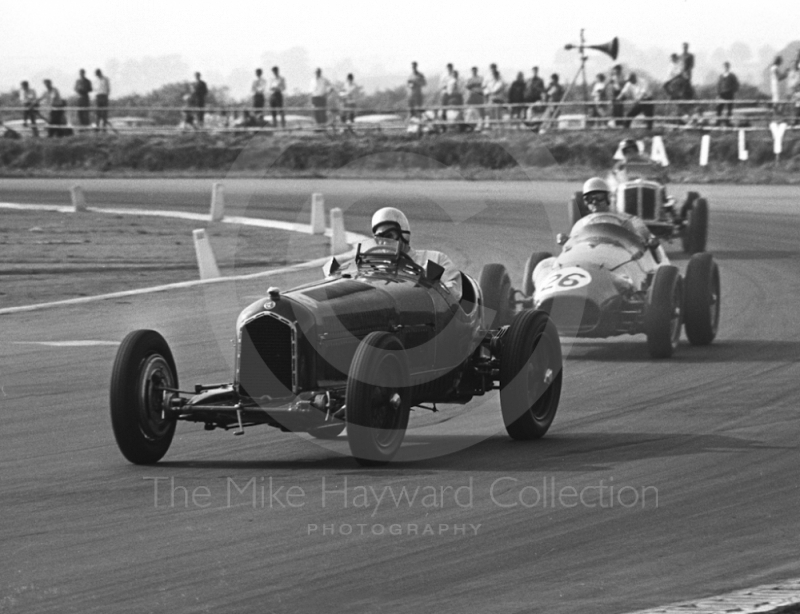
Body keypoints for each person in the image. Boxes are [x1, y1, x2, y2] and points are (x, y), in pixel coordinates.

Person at [370, 207, 462, 300]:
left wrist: (428, 284)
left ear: (403, 234)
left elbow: (453, 294)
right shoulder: (374, 269)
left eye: (389, 236)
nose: (384, 242)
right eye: (379, 238)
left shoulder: (437, 259)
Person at [579, 177, 665, 262]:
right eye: (589, 199)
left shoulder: (628, 220)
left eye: (599, 197)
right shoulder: (582, 223)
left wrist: (648, 241)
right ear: (585, 202)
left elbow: (641, 236)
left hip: (621, 262)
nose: (594, 202)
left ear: (608, 197)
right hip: (593, 261)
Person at [716, 62, 739, 127]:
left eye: (726, 66)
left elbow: (736, 84)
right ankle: (718, 122)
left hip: (729, 94)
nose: (725, 68)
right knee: (719, 108)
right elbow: (718, 85)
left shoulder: (732, 76)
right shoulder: (721, 76)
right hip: (722, 94)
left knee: (729, 109)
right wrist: (718, 94)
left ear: (728, 67)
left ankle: (728, 122)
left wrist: (733, 91)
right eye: (724, 67)